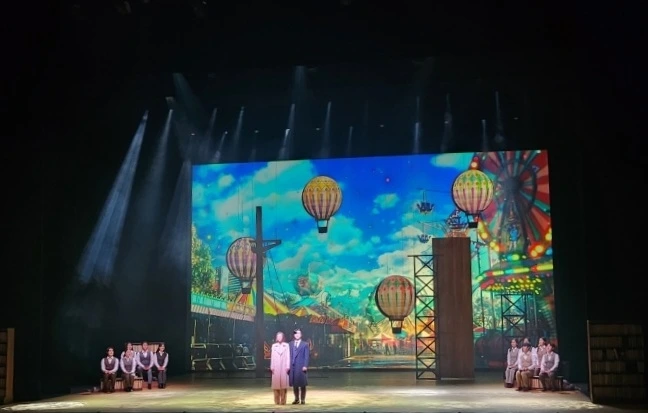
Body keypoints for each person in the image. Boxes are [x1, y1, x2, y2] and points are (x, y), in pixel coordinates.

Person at [289, 328, 309, 405]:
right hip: (293, 366)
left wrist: (305, 365)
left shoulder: (305, 344)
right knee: (295, 384)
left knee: (302, 384)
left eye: (298, 333)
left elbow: (306, 356)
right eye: (295, 333)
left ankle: (303, 399)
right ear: (294, 335)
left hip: (301, 366)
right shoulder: (290, 344)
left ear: (301, 335)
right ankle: (296, 399)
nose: (297, 335)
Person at [270, 331, 290, 405]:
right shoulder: (274, 346)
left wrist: (288, 366)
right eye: (278, 336)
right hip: (276, 367)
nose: (279, 338)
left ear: (283, 337)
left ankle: (283, 401)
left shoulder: (286, 345)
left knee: (283, 385)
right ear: (276, 338)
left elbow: (288, 356)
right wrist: (272, 366)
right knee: (276, 385)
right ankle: (276, 401)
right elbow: (272, 357)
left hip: (284, 367)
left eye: (281, 336)